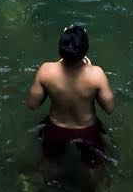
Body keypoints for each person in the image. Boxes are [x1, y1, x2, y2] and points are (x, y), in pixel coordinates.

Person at [27, 24, 114, 169]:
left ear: (61, 50)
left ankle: (47, 188)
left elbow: (32, 104)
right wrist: (90, 70)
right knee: (92, 167)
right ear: (85, 51)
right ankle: (89, 191)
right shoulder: (96, 74)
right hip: (87, 129)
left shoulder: (46, 71)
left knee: (49, 162)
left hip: (56, 128)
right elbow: (109, 108)